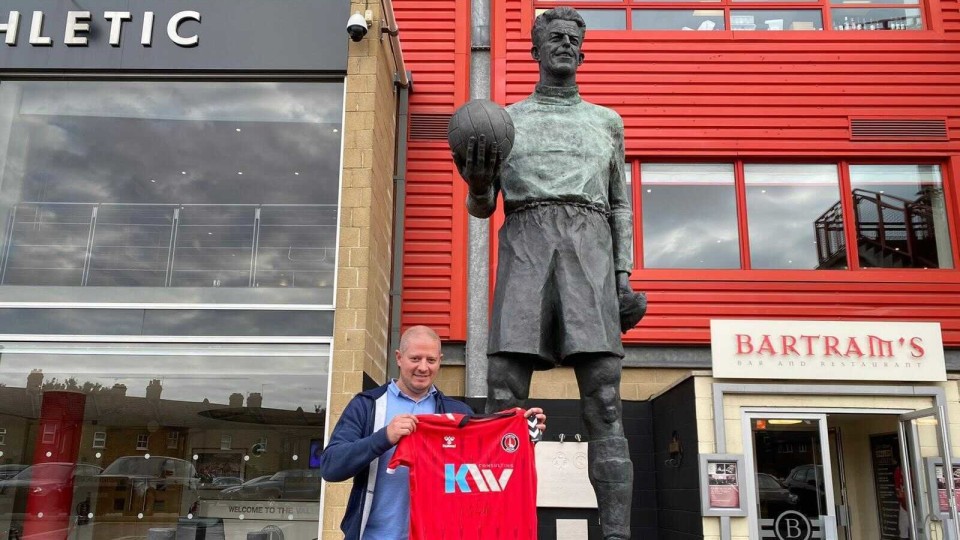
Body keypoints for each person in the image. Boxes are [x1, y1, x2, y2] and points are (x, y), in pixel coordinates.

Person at [454, 7, 644, 539]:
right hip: (525, 242)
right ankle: (495, 528)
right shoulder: (504, 122)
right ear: (535, 50)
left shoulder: (606, 121)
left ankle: (616, 534)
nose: (564, 44)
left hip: (590, 248)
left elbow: (620, 203)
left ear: (582, 51)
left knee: (605, 400)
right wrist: (478, 184)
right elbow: (482, 208)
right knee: (503, 394)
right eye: (553, 37)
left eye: (572, 39)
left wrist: (623, 274)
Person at [318, 325, 546, 540]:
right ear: (399, 358)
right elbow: (330, 466)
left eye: (431, 360)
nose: (423, 367)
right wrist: (384, 437)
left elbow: (485, 465)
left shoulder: (457, 413)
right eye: (415, 359)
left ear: (440, 361)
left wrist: (524, 435)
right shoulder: (367, 405)